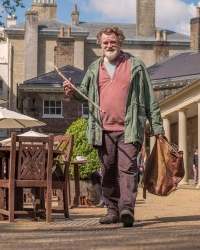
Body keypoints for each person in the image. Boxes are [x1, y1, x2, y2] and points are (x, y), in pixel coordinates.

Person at [63, 26, 164, 227]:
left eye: (113, 41)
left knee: (128, 169)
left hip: (129, 127)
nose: (109, 45)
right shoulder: (94, 68)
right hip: (103, 130)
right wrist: (71, 91)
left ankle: (127, 209)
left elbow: (149, 98)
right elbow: (83, 94)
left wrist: (157, 127)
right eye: (105, 42)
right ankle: (112, 210)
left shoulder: (135, 65)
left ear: (120, 42)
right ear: (100, 44)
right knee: (107, 170)